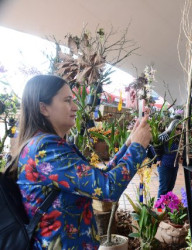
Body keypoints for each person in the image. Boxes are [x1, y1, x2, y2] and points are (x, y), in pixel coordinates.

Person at [8, 75, 151, 249]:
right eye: (67, 100)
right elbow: (108, 188)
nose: (75, 107)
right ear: (44, 108)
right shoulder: (46, 149)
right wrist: (137, 148)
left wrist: (128, 145)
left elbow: (99, 180)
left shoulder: (46, 145)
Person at [156, 119, 182, 198]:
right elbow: (156, 146)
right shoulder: (165, 136)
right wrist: (158, 159)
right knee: (163, 187)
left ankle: (167, 206)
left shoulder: (179, 138)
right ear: (172, 127)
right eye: (177, 129)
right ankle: (159, 207)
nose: (179, 131)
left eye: (181, 129)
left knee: (170, 187)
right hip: (164, 164)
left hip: (174, 165)